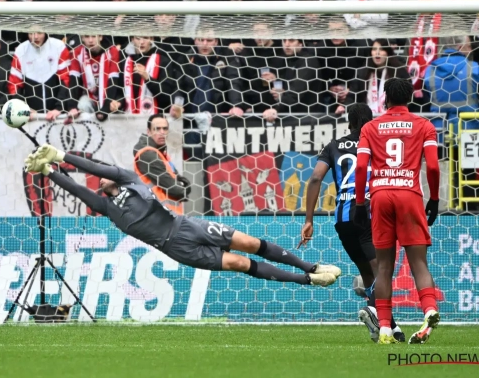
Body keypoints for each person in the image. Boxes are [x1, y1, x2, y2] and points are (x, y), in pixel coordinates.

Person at [24, 145, 341, 287]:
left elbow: (94, 167)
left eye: (104, 175)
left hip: (187, 225)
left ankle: (310, 266)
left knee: (249, 243)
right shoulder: (107, 208)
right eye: (100, 180)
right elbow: (78, 189)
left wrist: (61, 156)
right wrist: (49, 171)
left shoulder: (128, 178)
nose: (101, 177)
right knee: (240, 263)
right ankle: (308, 280)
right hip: (176, 248)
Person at [299, 103, 405, 343]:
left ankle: (390, 327)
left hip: (343, 219)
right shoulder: (379, 143)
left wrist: (309, 220)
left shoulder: (333, 146)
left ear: (349, 123)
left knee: (367, 272)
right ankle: (374, 310)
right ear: (372, 121)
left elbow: (315, 178)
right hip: (370, 214)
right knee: (382, 271)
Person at [353, 78, 440, 345]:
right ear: (410, 98)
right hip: (409, 195)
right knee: (419, 263)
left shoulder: (370, 127)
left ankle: (384, 330)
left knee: (384, 267)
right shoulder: (424, 126)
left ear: (386, 98)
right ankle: (429, 310)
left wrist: (360, 203)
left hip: (380, 196)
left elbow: (361, 167)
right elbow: (433, 167)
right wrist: (435, 199)